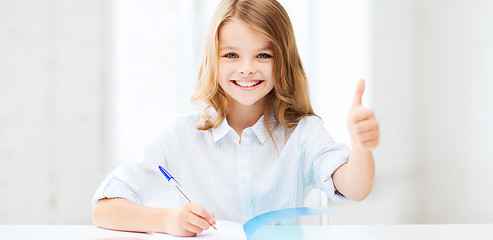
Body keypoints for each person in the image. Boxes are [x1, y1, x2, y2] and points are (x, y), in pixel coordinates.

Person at [92, 0, 379, 237]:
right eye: (231, 55)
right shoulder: (180, 135)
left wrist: (360, 145)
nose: (246, 69)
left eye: (263, 55)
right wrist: (167, 221)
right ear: (212, 60)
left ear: (284, 62)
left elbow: (355, 188)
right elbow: (104, 208)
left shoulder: (303, 132)